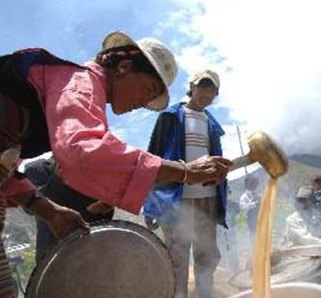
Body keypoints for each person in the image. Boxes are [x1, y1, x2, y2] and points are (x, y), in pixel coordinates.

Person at [1, 32, 230, 297]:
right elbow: (82, 152)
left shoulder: (76, 97)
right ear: (124, 67)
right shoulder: (79, 82)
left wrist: (48, 210)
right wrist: (185, 171)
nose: (144, 103)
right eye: (148, 90)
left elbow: (6, 174)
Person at [143, 69, 227, 298]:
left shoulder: (213, 126)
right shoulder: (170, 117)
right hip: (176, 201)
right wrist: (151, 203)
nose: (207, 93)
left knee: (207, 256)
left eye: (212, 90)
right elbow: (153, 159)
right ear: (192, 87)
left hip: (207, 200)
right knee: (177, 258)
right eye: (203, 86)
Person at [24, 157, 114, 264]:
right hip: (53, 257)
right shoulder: (37, 168)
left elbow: (97, 219)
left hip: (90, 257)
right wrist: (58, 177)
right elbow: (29, 206)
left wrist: (104, 208)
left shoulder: (95, 174)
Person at [239, 174, 260, 245]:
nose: (256, 186)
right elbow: (243, 207)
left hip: (260, 217)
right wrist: (254, 204)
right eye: (254, 184)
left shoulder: (258, 195)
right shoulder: (244, 197)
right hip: (251, 219)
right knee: (253, 236)